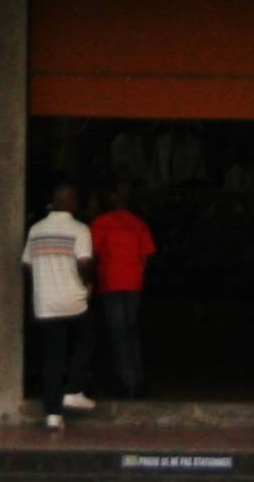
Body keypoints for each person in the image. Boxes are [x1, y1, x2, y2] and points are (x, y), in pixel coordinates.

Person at [23, 182, 99, 427]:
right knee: (86, 339)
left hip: (45, 301)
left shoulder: (36, 230)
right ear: (72, 203)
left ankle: (53, 414)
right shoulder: (79, 229)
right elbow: (85, 262)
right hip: (72, 299)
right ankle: (74, 390)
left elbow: (26, 264)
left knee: (52, 356)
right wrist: (88, 284)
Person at [89, 185, 158, 399]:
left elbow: (92, 253)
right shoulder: (138, 224)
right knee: (131, 332)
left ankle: (126, 381)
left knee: (118, 333)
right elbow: (146, 257)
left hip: (111, 282)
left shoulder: (101, 223)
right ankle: (135, 379)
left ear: (112, 198)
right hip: (133, 283)